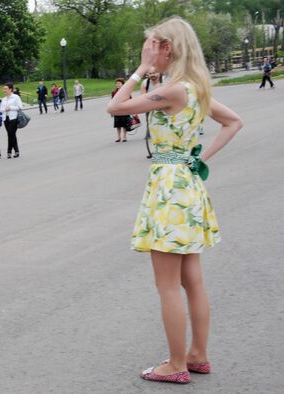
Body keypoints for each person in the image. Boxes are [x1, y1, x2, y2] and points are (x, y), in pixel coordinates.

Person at [107, 17, 242, 384]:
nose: (147, 51)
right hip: (188, 181)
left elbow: (115, 107)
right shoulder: (194, 87)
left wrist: (141, 68)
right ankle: (197, 354)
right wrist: (201, 158)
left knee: (167, 285)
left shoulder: (174, 90)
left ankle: (176, 364)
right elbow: (233, 122)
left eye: (151, 45)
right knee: (192, 281)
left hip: (169, 187)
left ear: (166, 48)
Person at [0, 82, 23, 159]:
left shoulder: (15, 97)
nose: (4, 90)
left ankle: (9, 152)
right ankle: (16, 151)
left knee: (10, 134)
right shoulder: (3, 99)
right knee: (11, 135)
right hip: (5, 119)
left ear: (10, 89)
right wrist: (5, 109)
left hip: (14, 118)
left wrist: (11, 108)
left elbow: (20, 107)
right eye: (4, 89)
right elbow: (1, 109)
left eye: (6, 89)